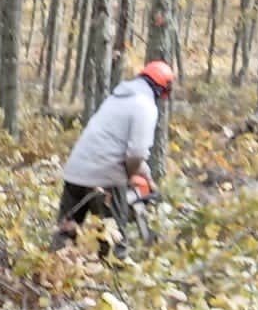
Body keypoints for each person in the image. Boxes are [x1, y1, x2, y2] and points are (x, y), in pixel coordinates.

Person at [51, 60, 174, 251]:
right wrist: (131, 175)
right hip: (106, 176)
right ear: (161, 89)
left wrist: (146, 175)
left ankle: (48, 271)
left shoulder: (116, 98)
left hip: (75, 170)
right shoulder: (146, 106)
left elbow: (115, 145)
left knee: (64, 235)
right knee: (113, 243)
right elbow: (137, 153)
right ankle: (112, 274)